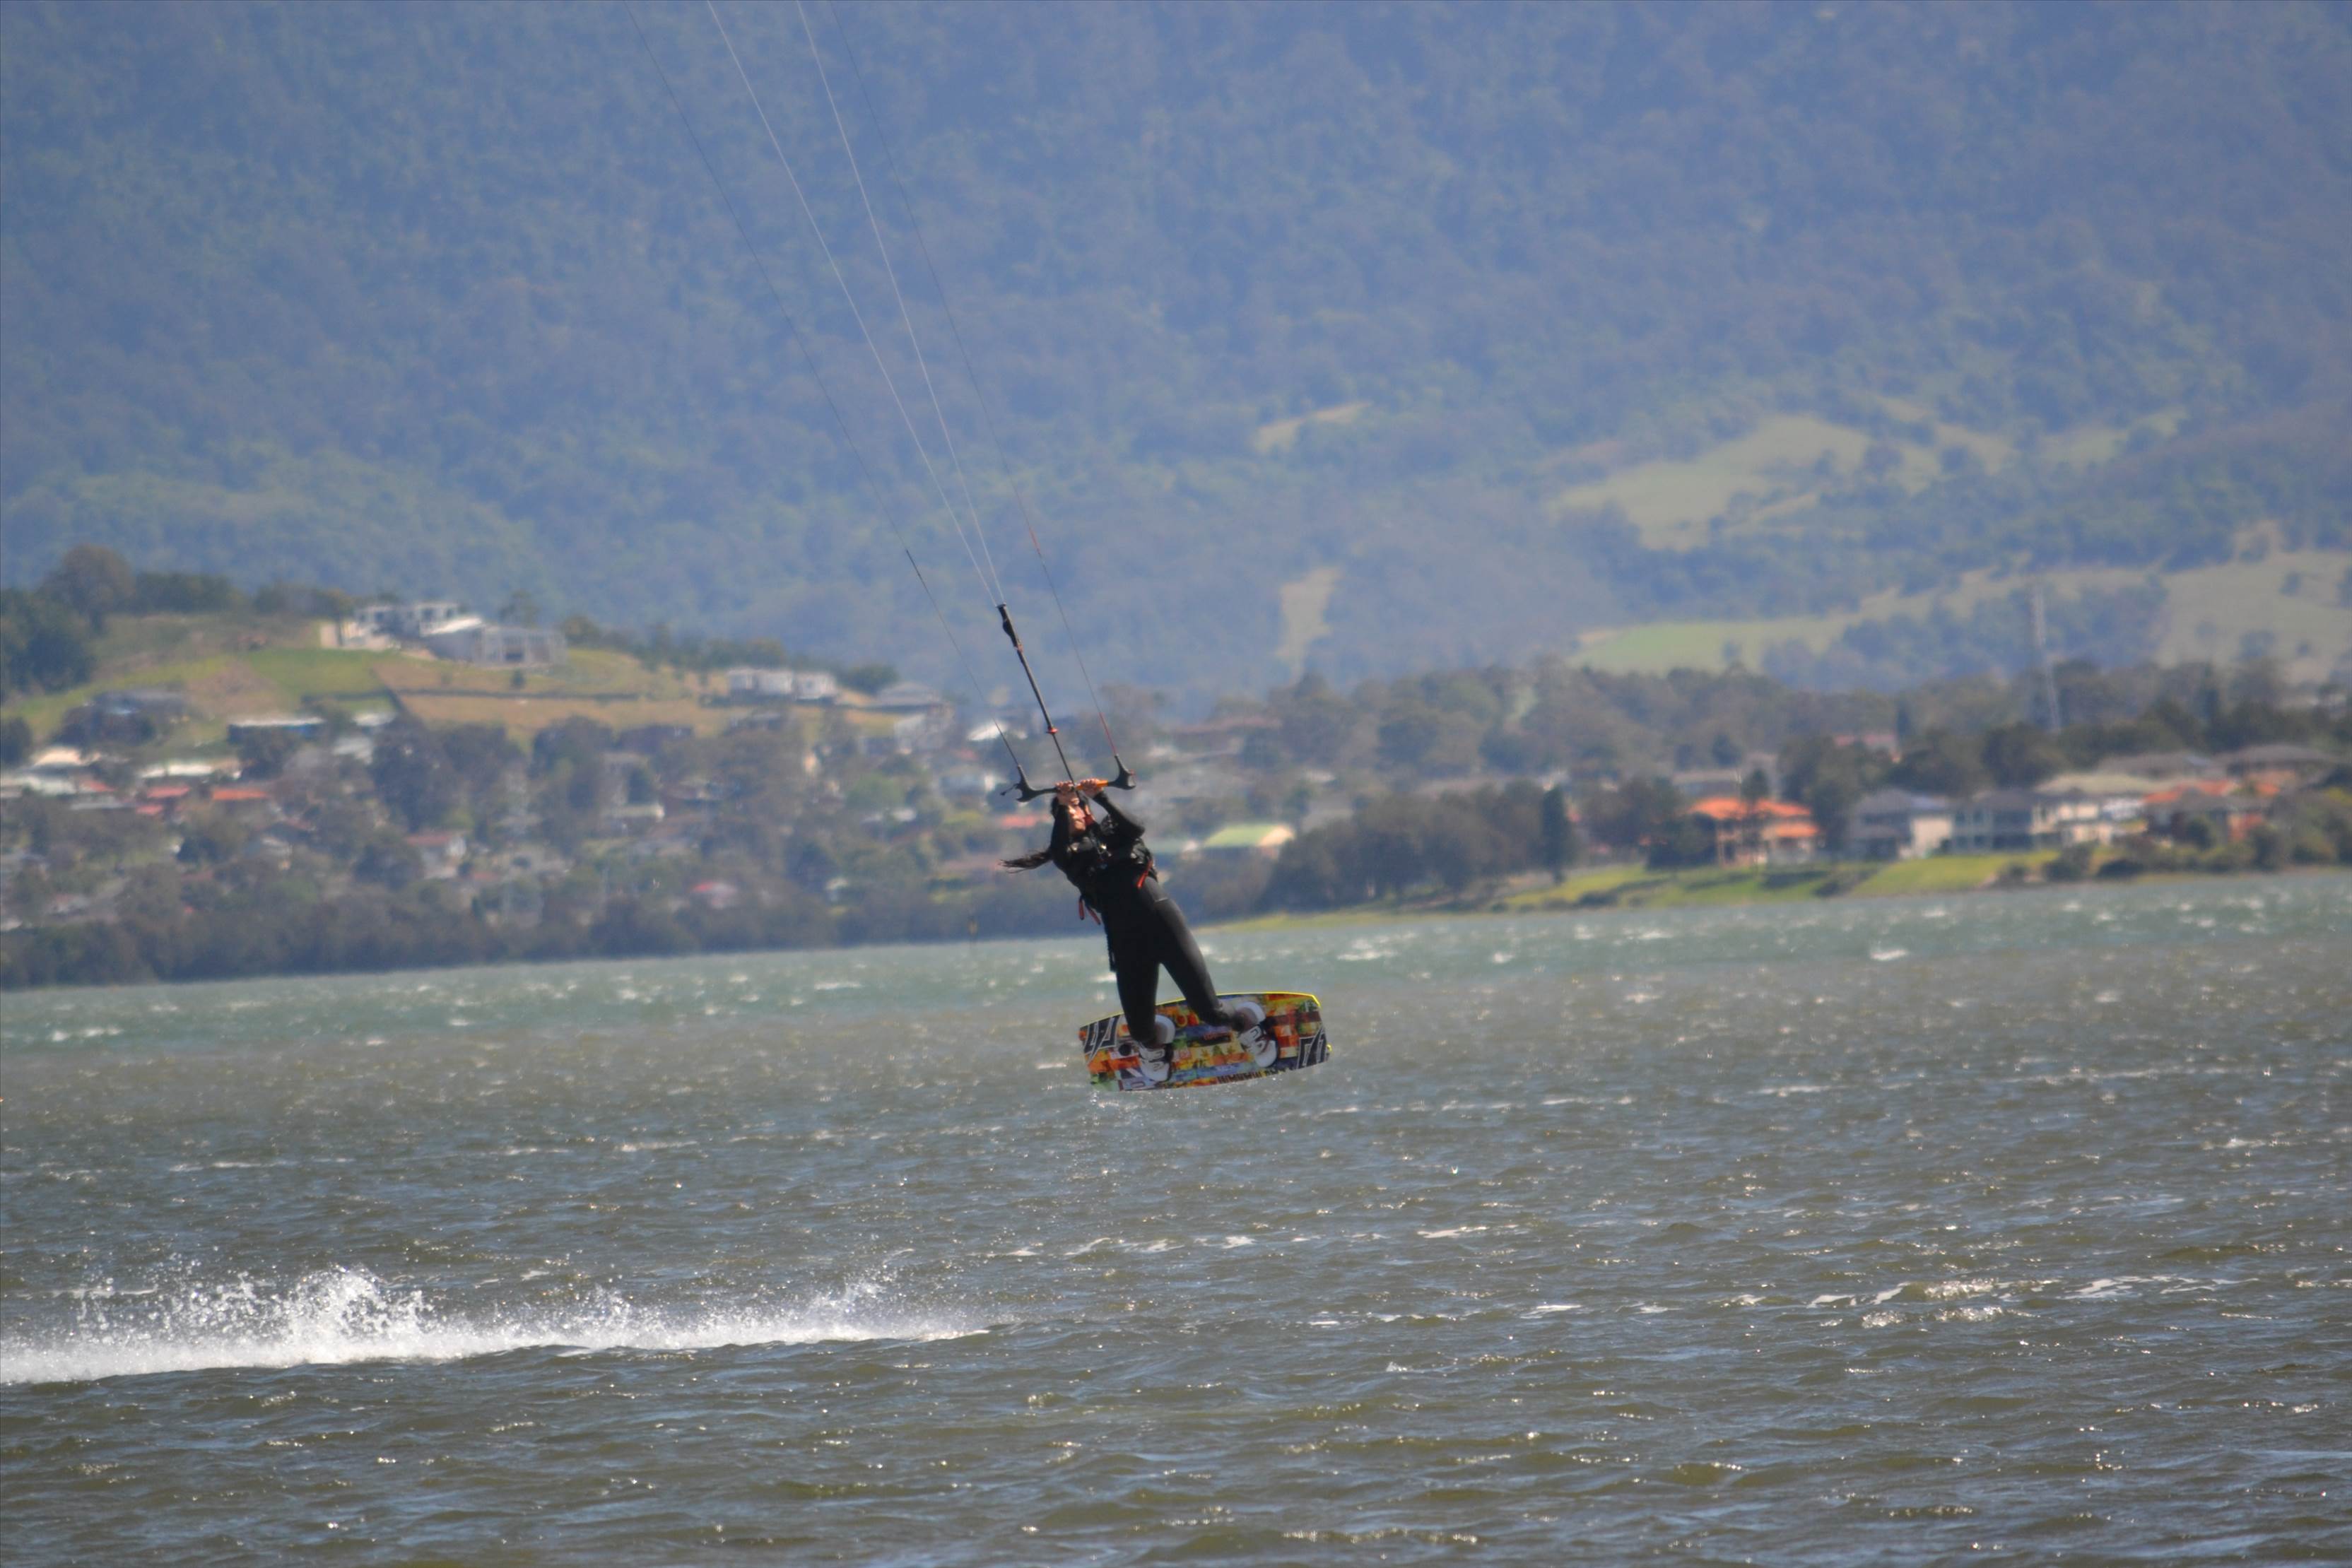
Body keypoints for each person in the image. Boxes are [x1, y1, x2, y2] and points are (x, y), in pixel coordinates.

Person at [1003, 777, 1263, 1060]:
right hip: (1126, 942)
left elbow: (1136, 827)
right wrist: (1065, 805)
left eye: (1079, 806)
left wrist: (1100, 797)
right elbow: (1059, 850)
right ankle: (1156, 1045)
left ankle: (1246, 1025)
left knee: (1211, 1012)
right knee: (1139, 1032)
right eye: (1068, 810)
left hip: (1162, 923)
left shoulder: (1117, 834)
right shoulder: (1068, 856)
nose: (1075, 811)